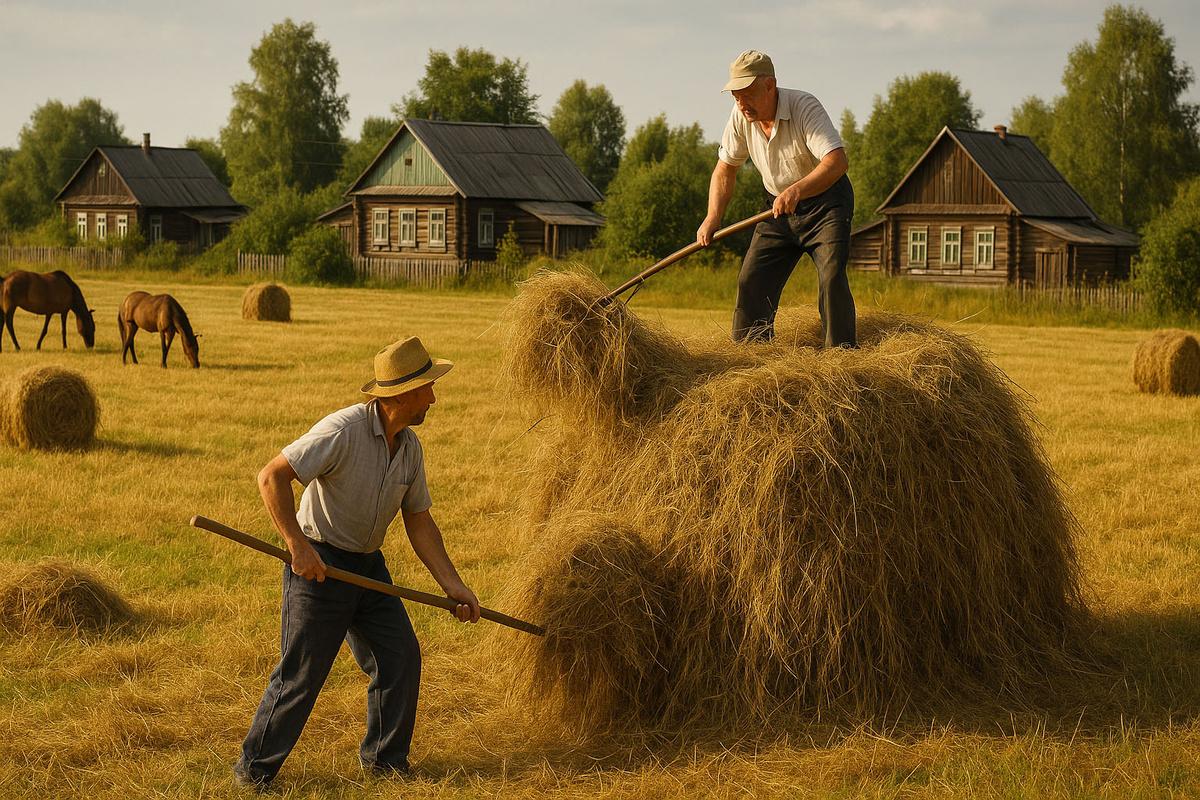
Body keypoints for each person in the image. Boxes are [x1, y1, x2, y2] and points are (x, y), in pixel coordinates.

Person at [233, 336, 481, 791]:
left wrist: (454, 585)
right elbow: (272, 477)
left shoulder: (409, 448)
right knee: (302, 674)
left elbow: (420, 522)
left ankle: (385, 763)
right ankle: (254, 773)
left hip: (367, 568)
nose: (434, 396)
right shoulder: (343, 430)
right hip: (319, 564)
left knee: (399, 656)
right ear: (403, 394)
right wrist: (296, 546)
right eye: (428, 387)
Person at [697, 50, 856, 348]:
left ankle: (841, 356)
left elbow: (837, 162)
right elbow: (725, 169)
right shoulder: (740, 117)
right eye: (736, 97)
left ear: (770, 86)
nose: (741, 104)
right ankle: (751, 355)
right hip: (777, 211)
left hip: (826, 206)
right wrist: (713, 216)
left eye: (747, 95)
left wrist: (797, 190)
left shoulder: (804, 107)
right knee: (751, 281)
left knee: (831, 277)